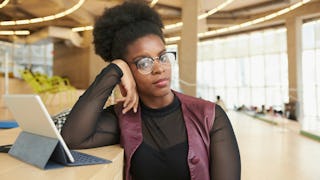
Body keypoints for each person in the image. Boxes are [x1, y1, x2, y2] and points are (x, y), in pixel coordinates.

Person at [61, 2, 241, 180]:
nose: (159, 69)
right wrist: (116, 68)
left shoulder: (209, 116)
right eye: (144, 63)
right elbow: (72, 139)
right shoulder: (123, 117)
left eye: (163, 57)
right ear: (128, 72)